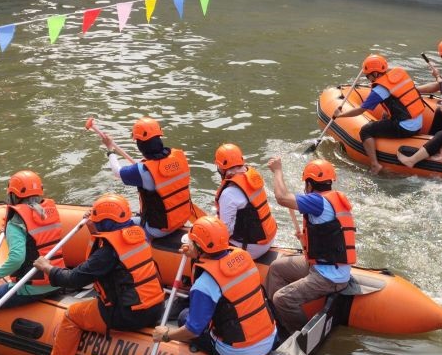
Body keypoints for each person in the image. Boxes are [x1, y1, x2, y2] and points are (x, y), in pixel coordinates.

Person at [35, 194, 164, 355]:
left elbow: (74, 279)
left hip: (128, 315)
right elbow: (109, 243)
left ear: (104, 222)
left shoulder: (107, 254)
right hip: (156, 308)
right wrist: (93, 226)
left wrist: (48, 268)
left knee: (71, 315)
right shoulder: (139, 235)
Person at [0, 171, 63, 355]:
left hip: (30, 287)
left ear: (13, 195)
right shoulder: (49, 212)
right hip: (57, 280)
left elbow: (16, 259)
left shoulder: (16, 223)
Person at [152, 216, 277, 355]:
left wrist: (166, 335)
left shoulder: (204, 285)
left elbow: (193, 330)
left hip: (238, 351)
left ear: (199, 247)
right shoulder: (244, 256)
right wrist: (195, 253)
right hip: (269, 337)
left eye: (192, 242)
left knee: (183, 317)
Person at [265, 158, 355, 333]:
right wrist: (306, 239)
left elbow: (282, 198)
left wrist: (277, 170)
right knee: (276, 268)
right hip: (326, 265)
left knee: (282, 299)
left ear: (310, 184)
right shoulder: (332, 199)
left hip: (328, 277)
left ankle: (299, 333)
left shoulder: (317, 201)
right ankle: (279, 318)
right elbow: (331, 236)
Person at [100, 116, 192, 239]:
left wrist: (110, 149)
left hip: (158, 229)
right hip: (181, 219)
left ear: (140, 144)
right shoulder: (179, 156)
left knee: (113, 224)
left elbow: (117, 172)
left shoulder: (143, 171)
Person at [333, 54, 424, 174]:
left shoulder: (379, 90)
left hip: (405, 128)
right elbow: (399, 100)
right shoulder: (399, 75)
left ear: (375, 74)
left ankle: (375, 165)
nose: (368, 79)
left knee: (365, 130)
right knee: (383, 120)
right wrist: (387, 113)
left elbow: (361, 110)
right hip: (418, 122)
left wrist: (339, 115)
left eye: (368, 76)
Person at [213, 143, 277, 260]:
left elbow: (226, 232)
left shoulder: (229, 193)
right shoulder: (252, 177)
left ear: (222, 168)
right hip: (269, 238)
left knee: (205, 249)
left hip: (250, 248)